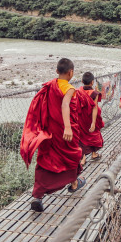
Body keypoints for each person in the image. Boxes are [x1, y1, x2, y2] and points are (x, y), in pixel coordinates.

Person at [20, 58, 86, 212]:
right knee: (72, 156)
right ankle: (74, 183)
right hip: (65, 132)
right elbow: (64, 105)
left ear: (57, 71)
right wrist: (68, 127)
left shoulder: (50, 86)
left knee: (46, 161)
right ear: (71, 72)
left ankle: (38, 197)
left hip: (50, 132)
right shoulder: (69, 89)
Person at [77, 71, 105, 161]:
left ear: (82, 81)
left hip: (81, 119)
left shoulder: (78, 92)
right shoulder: (94, 93)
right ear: (92, 82)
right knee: (94, 135)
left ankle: (83, 158)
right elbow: (94, 108)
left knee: (81, 137)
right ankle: (94, 154)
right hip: (91, 118)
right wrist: (93, 123)